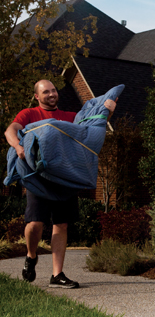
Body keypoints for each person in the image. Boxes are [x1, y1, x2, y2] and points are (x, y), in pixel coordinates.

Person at [4, 79, 116, 289]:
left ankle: (57, 275)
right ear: (37, 96)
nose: (51, 94)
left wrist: (108, 107)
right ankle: (31, 254)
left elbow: (91, 128)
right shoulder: (29, 114)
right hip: (39, 179)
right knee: (35, 224)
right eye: (46, 92)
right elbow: (10, 130)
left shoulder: (70, 117)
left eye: (53, 90)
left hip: (64, 179)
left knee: (61, 224)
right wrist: (18, 146)